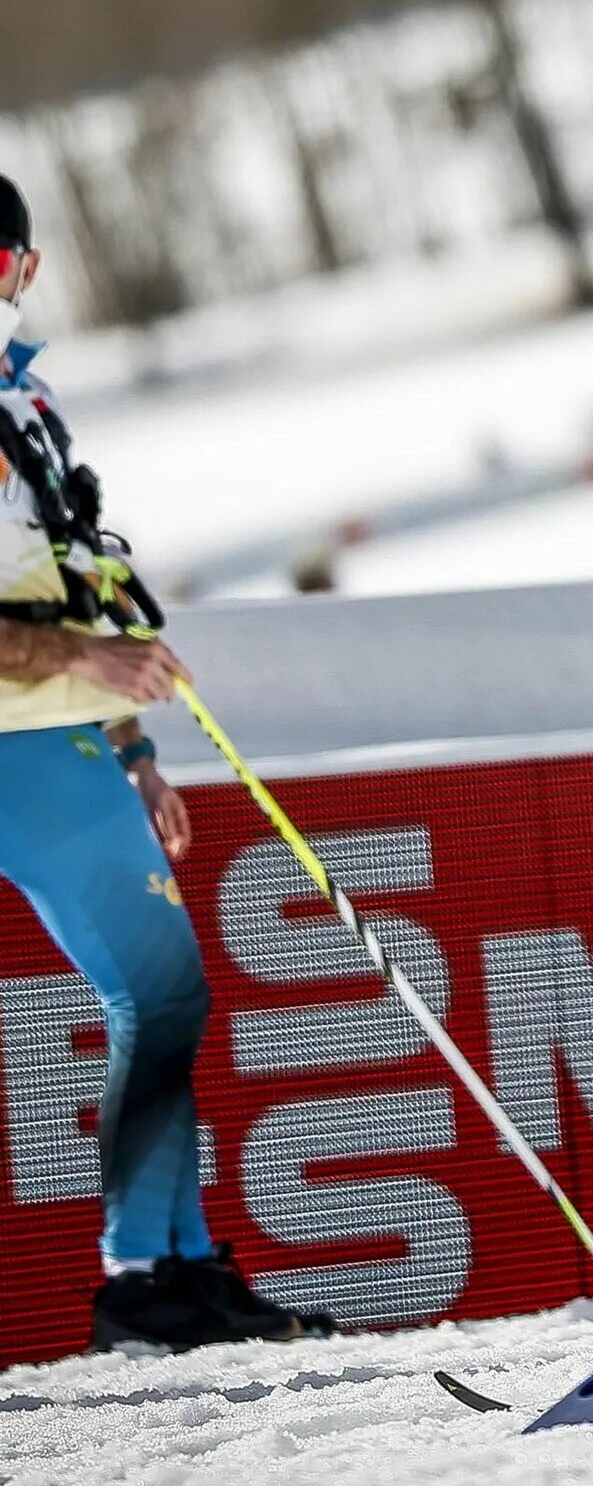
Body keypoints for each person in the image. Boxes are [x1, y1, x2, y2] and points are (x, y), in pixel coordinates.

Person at [0, 175, 335, 1352]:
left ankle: (177, 1270)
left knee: (159, 994)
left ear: (22, 273)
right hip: (14, 744)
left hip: (62, 735)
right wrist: (88, 659)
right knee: (159, 991)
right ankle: (147, 1279)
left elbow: (74, 574)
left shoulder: (24, 401)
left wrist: (132, 741)